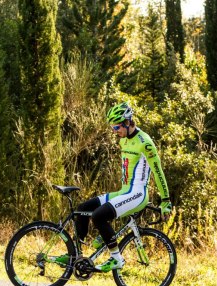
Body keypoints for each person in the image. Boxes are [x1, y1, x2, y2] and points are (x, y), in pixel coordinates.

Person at [73, 101, 172, 272]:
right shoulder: (123, 141)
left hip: (137, 194)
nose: (115, 132)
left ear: (128, 122)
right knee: (83, 209)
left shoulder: (145, 142)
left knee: (98, 216)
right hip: (124, 192)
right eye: (113, 128)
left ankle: (116, 259)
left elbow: (158, 172)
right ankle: (75, 256)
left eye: (117, 127)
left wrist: (165, 200)